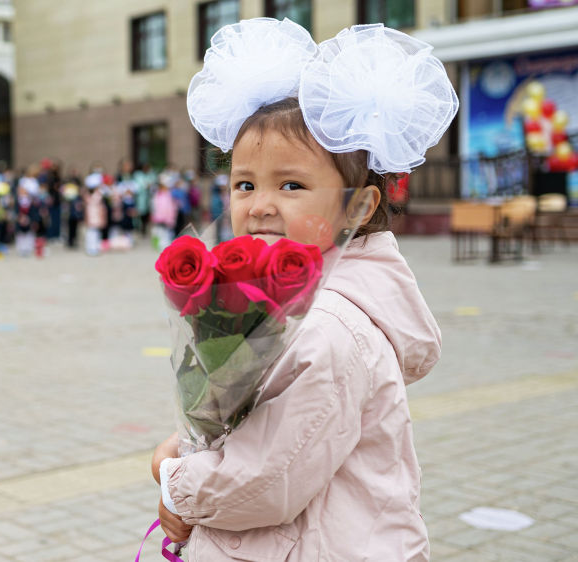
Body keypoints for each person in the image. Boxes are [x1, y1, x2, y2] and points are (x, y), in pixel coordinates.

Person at [151, 19, 457, 560]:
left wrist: (176, 479)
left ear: (358, 207)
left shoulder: (331, 328)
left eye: (291, 185)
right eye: (245, 183)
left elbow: (267, 483)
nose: (261, 204)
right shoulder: (284, 304)